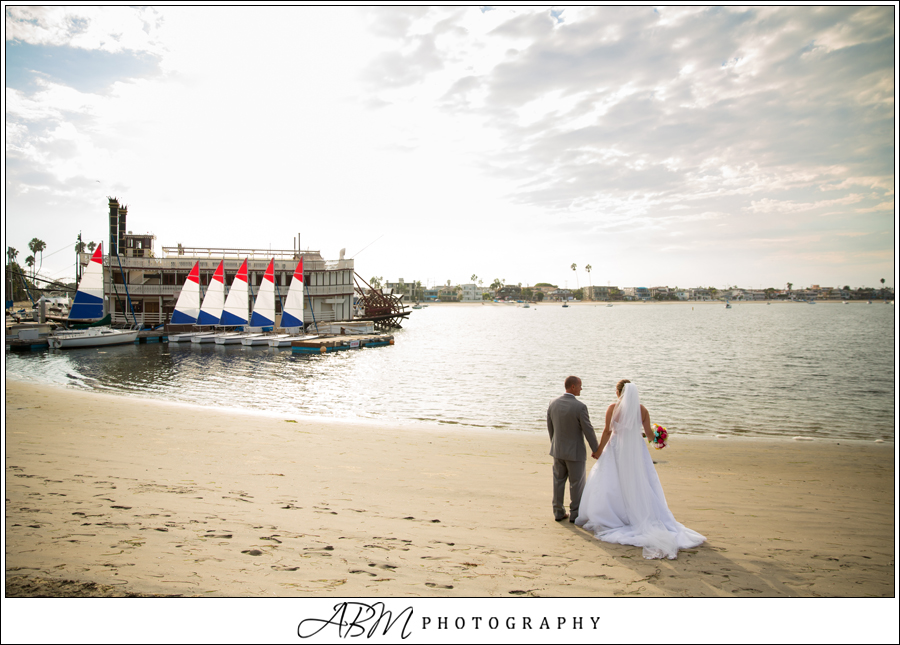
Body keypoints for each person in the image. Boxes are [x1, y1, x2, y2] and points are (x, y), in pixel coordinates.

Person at [575, 379, 706, 559]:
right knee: (639, 480)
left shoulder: (613, 408)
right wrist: (660, 439)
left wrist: (598, 451)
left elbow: (607, 431)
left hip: (617, 448)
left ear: (618, 392)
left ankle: (614, 516)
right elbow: (650, 436)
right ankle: (638, 514)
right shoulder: (642, 410)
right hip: (636, 450)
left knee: (612, 480)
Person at [547, 376, 599, 523]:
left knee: (558, 481)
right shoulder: (580, 407)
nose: (582, 388)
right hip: (575, 453)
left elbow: (550, 427)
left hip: (558, 451)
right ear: (573, 387)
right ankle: (575, 514)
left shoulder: (553, 403)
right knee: (576, 484)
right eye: (580, 385)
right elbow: (588, 430)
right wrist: (596, 449)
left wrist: (554, 444)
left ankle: (558, 512)